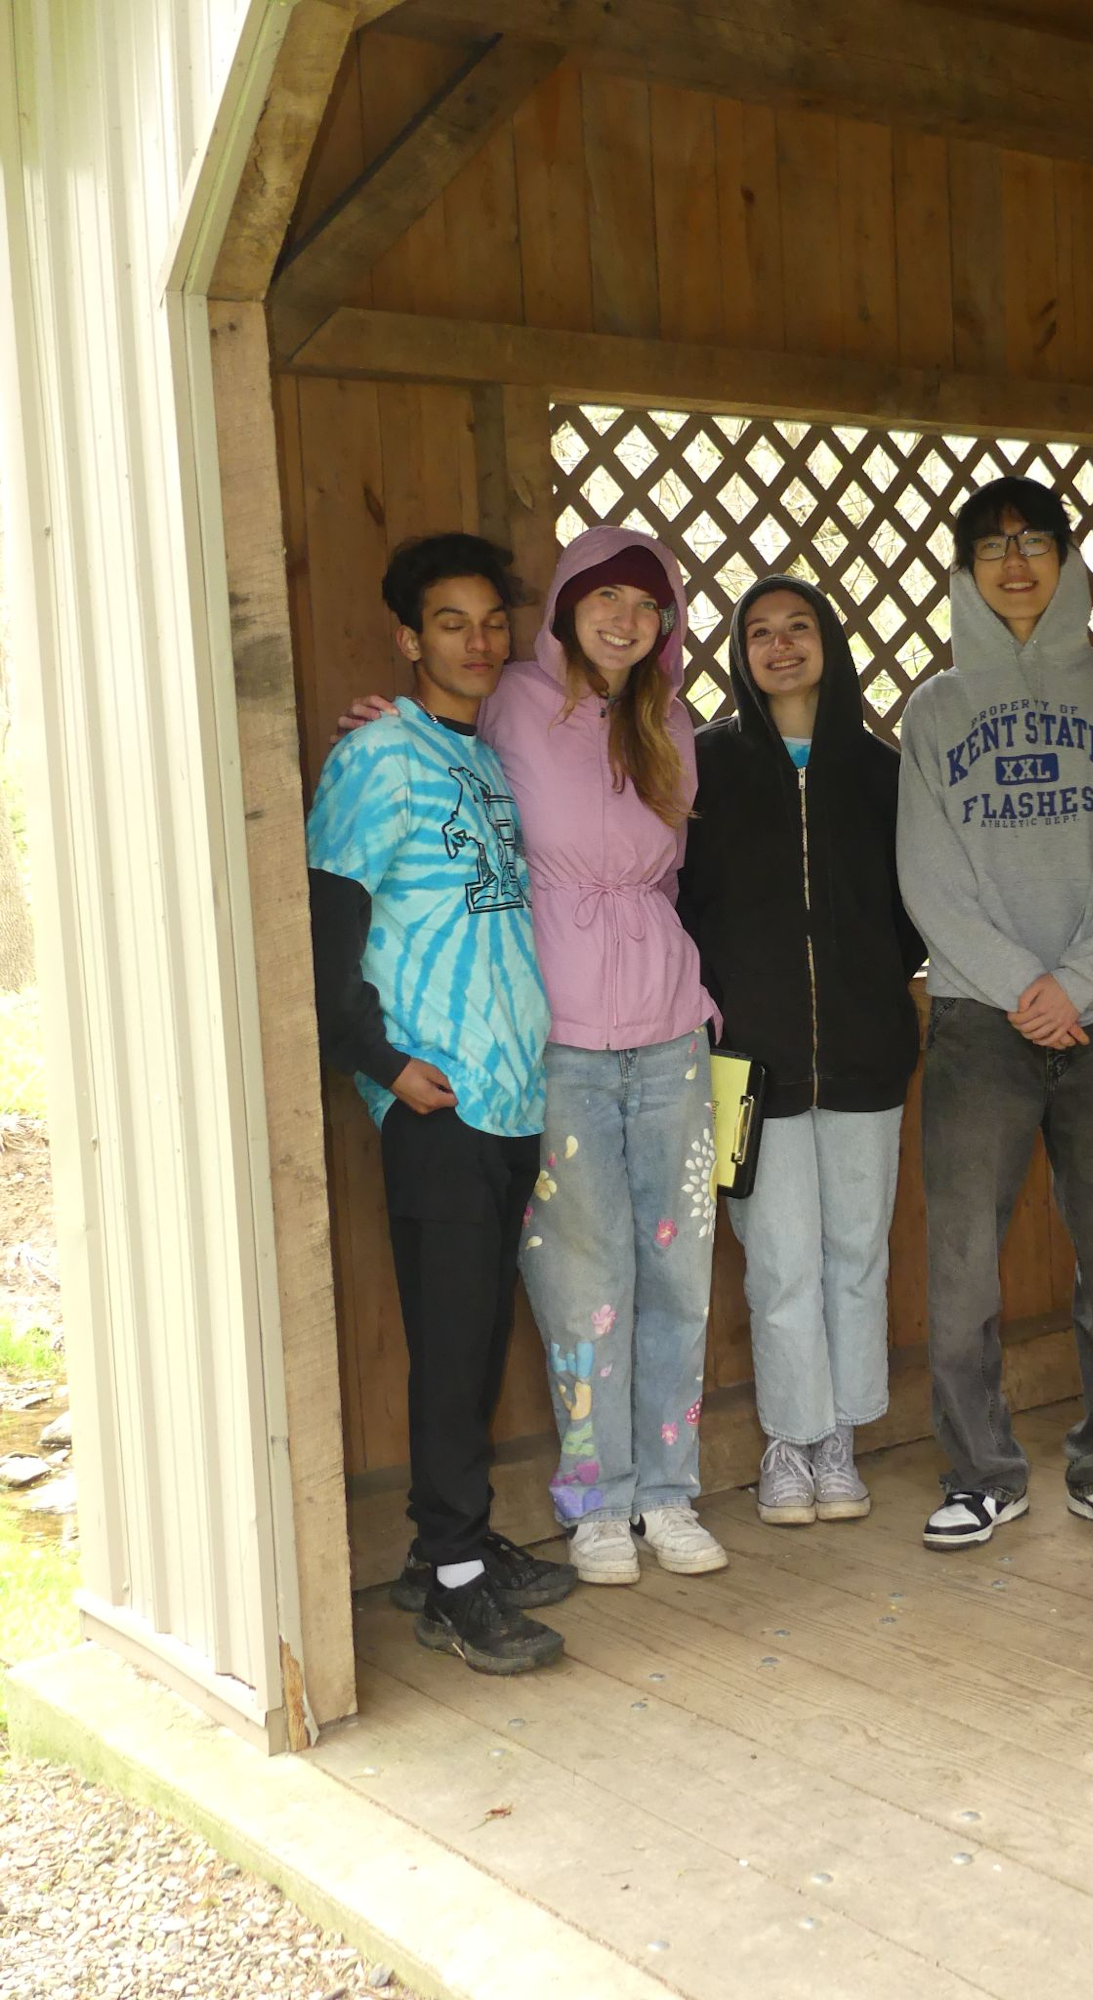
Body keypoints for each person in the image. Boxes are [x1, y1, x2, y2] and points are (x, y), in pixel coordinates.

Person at [339, 525, 727, 1587]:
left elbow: (671, 872)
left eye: (646, 606)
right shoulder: (508, 698)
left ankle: (670, 1489)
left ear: (665, 627)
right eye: (603, 598)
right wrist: (385, 722)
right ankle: (595, 1503)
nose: (623, 619)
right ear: (562, 609)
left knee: (677, 1272)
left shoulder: (672, 722)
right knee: (582, 1282)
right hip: (549, 1039)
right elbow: (437, 745)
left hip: (668, 1033)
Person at [307, 532, 574, 1677]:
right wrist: (386, 1063)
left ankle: (441, 1550)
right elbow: (328, 931)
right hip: (438, 1097)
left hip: (509, 1094)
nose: (478, 640)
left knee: (470, 1349)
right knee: (450, 1343)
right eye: (450, 622)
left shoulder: (482, 754)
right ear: (410, 638)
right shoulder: (378, 758)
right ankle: (457, 1582)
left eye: (491, 621)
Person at [897, 476, 1093, 1550]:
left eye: (1035, 542)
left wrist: (1082, 984)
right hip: (979, 1019)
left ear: (1067, 557)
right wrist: (1023, 985)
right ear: (965, 567)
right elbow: (929, 877)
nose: (1014, 563)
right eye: (991, 546)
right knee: (962, 1258)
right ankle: (980, 1471)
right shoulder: (935, 709)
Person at [678, 577, 924, 1527]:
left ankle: (843, 1436)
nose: (780, 646)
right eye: (759, 633)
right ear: (739, 654)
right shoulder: (707, 767)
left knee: (857, 1251)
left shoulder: (882, 771)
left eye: (799, 628)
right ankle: (790, 1438)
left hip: (866, 1051)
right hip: (749, 1064)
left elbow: (911, 916)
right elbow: (683, 904)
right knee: (779, 1259)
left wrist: (860, 978)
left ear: (831, 641)